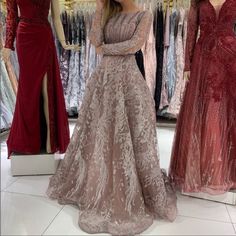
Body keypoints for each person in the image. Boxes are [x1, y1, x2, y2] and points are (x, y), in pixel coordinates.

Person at [47, 0, 177, 234]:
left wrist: (105, 49)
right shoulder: (108, 12)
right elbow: (94, 40)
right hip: (103, 80)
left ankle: (127, 187)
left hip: (127, 80)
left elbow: (134, 46)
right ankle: (99, 182)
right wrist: (99, 9)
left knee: (126, 137)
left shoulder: (144, 15)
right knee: (102, 134)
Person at [169, 0, 236, 194]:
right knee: (207, 110)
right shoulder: (197, 2)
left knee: (228, 111)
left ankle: (228, 171)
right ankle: (206, 170)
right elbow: (191, 32)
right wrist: (187, 65)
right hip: (203, 59)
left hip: (230, 59)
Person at [2, 0, 75, 156]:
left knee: (46, 89)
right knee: (28, 92)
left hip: (43, 36)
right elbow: (11, 17)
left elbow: (56, 18)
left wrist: (63, 42)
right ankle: (29, 141)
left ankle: (50, 140)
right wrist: (8, 45)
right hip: (25, 37)